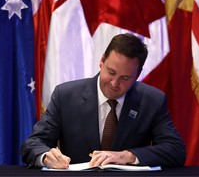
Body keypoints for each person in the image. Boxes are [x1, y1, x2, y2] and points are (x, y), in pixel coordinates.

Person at [21, 33, 186, 169]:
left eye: (125, 78)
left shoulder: (152, 101)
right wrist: (46, 157)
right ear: (101, 61)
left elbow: (176, 150)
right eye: (111, 72)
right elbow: (33, 144)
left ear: (138, 74)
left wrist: (129, 155)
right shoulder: (65, 96)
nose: (115, 83)